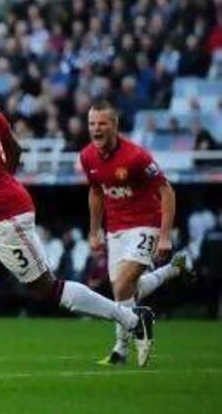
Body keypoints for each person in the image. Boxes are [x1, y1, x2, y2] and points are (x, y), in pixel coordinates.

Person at [0, 47, 155, 396]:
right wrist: (0, 182)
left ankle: (132, 318)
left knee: (47, 289)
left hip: (3, 216)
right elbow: (13, 147)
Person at [80, 101, 193, 365]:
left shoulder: (136, 157)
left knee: (121, 287)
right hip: (115, 229)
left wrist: (164, 236)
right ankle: (173, 269)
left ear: (115, 126)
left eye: (102, 123)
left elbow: (167, 192)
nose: (96, 129)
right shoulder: (87, 156)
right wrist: (94, 230)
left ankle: (125, 344)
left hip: (146, 224)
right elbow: (96, 192)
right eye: (92, 124)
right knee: (126, 292)